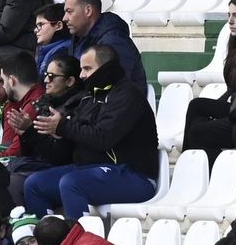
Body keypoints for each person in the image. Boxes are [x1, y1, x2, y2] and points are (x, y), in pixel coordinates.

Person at [23, 45, 157, 219]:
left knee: (71, 183)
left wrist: (63, 127)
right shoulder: (89, 96)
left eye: (87, 69)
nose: (82, 75)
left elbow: (103, 138)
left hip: (134, 176)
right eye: (81, 69)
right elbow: (73, 140)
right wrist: (49, 132)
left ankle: (79, 244)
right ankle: (48, 242)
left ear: (106, 67)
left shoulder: (128, 95)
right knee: (34, 184)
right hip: (91, 169)